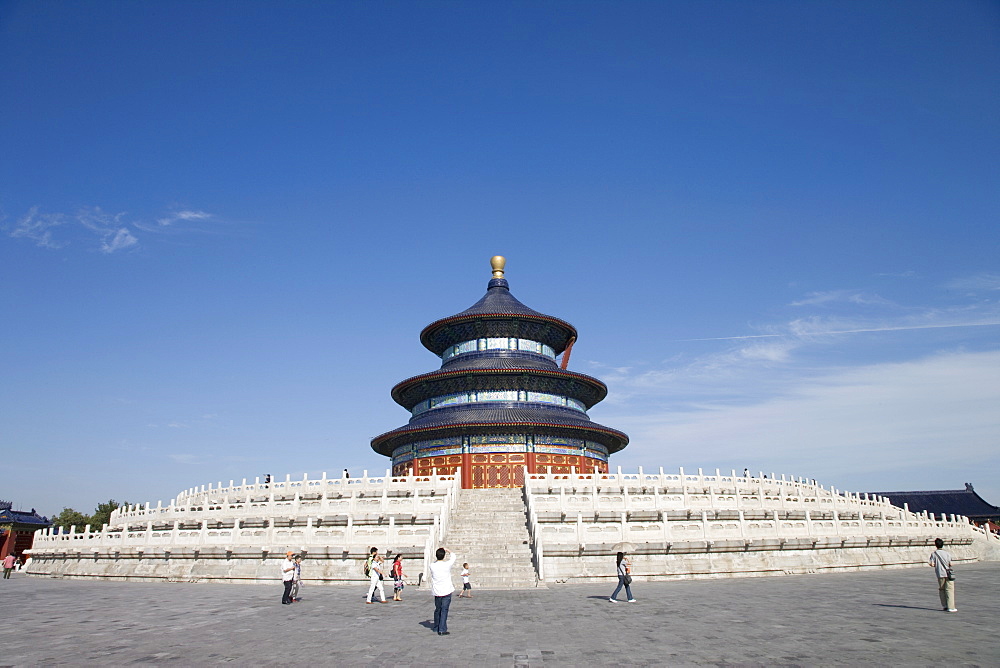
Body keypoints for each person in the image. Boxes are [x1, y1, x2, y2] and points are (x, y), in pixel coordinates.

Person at [429, 546, 457, 635]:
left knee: (438, 609)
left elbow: (434, 562)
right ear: (444, 556)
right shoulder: (447, 565)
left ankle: (436, 627)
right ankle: (442, 629)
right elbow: (453, 556)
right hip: (446, 590)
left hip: (437, 591)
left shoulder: (432, 565)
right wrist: (447, 550)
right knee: (444, 609)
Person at [929, 538, 957, 612]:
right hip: (948, 574)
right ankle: (951, 607)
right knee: (950, 590)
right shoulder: (947, 553)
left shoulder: (934, 554)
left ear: (936, 545)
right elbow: (951, 564)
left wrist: (936, 565)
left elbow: (932, 564)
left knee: (942, 589)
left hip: (940, 574)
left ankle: (944, 605)